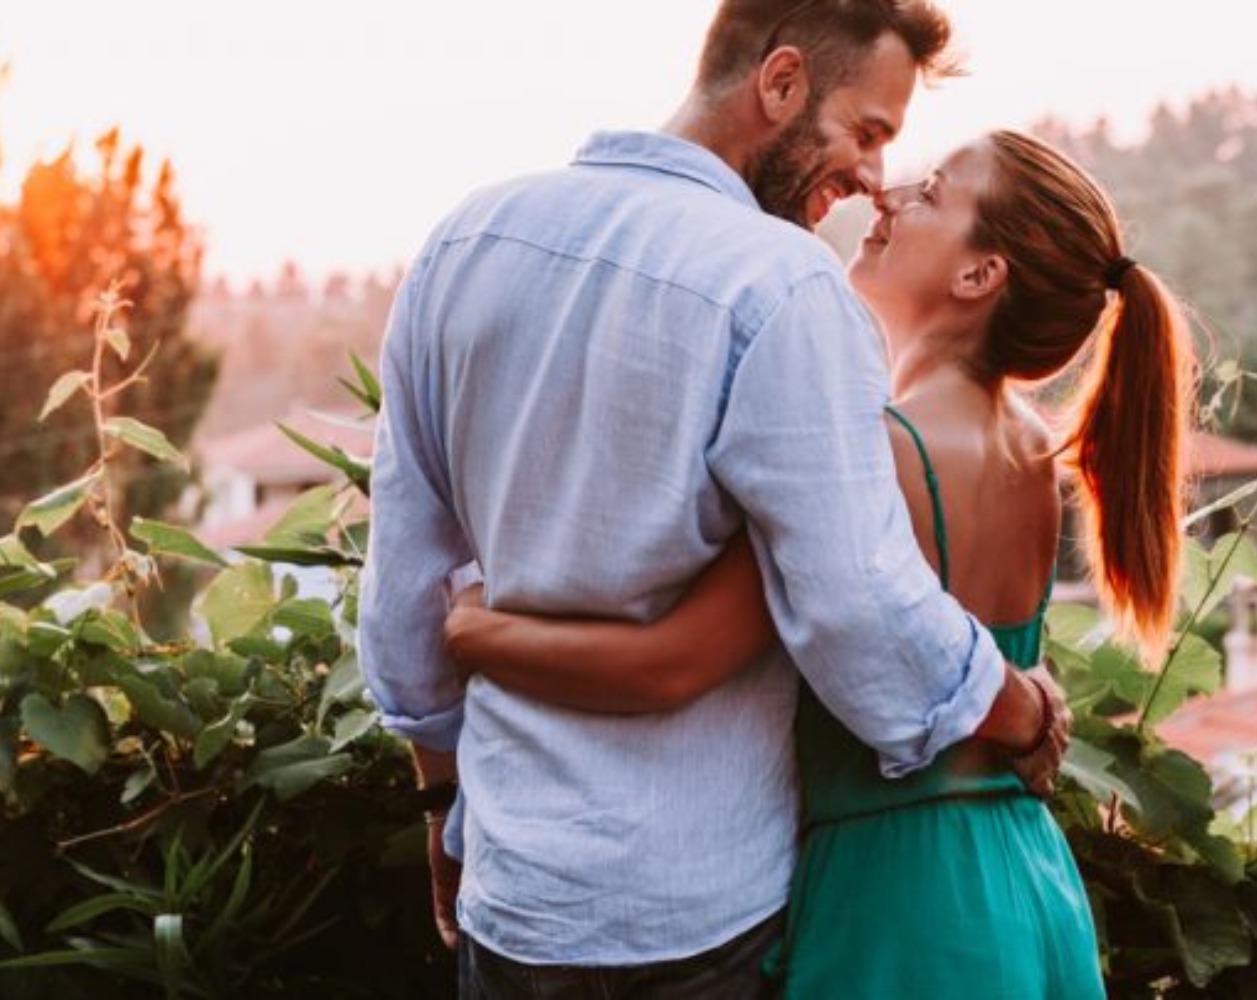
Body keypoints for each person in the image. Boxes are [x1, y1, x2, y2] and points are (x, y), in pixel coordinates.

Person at [359, 2, 1069, 995]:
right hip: (701, 917)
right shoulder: (782, 288)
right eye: (865, 133)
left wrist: (441, 808)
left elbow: (404, 585)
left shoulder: (461, 243)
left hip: (512, 899)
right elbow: (856, 608)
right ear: (778, 84)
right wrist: (1021, 709)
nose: (870, 178)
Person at [445, 129, 1199, 997]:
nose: (887, 197)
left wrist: (474, 632)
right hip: (1023, 875)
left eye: (932, 194)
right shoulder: (1025, 447)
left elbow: (671, 660)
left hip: (901, 903)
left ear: (979, 276)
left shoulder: (876, 452)